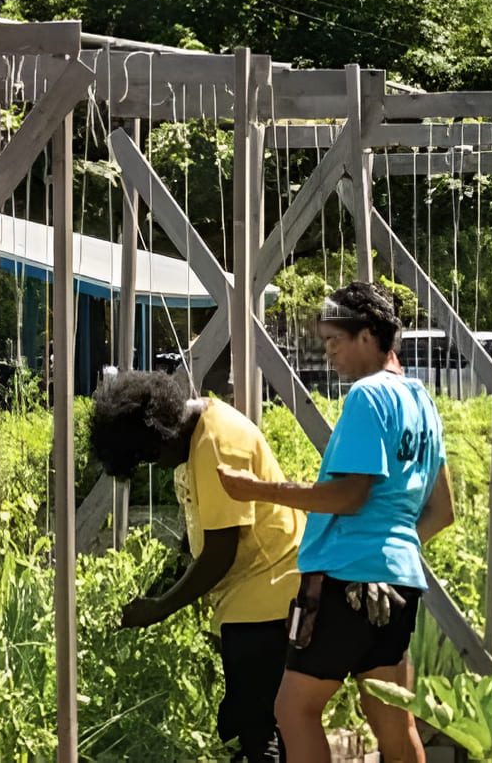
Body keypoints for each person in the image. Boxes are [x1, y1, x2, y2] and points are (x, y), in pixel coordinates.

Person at [217, 281, 455, 763]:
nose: (329, 354)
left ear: (367, 334)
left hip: (346, 580)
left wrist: (258, 489)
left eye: (334, 341)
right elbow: (443, 509)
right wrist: (388, 553)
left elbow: (350, 494)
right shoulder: (422, 402)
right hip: (399, 581)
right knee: (391, 717)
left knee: (293, 710)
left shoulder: (368, 397)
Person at [88, 370, 304, 763]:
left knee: (256, 728)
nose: (155, 464)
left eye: (150, 456)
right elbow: (198, 537)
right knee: (247, 721)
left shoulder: (218, 446)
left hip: (269, 594)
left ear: (161, 434)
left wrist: (159, 608)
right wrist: (161, 585)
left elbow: (221, 551)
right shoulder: (195, 436)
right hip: (250, 596)